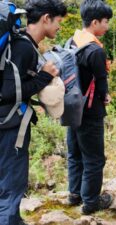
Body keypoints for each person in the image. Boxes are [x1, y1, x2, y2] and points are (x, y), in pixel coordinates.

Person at [0, 0, 66, 224]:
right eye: (58, 21)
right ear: (46, 18)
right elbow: (8, 92)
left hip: (6, 122)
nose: (59, 27)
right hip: (10, 128)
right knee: (11, 185)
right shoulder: (24, 47)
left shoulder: (18, 43)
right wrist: (44, 77)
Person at [66, 0, 113, 215]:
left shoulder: (71, 41)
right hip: (91, 111)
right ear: (95, 22)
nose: (107, 26)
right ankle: (91, 202)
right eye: (105, 22)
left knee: (75, 152)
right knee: (94, 158)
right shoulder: (95, 50)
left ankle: (74, 194)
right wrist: (106, 97)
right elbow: (101, 84)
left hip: (71, 107)